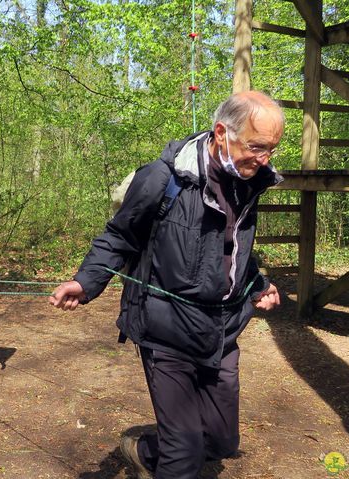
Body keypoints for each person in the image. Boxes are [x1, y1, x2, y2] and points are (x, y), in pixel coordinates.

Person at [49, 91, 283, 479]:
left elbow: (233, 247)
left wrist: (258, 283)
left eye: (272, 150)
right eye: (257, 147)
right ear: (222, 132)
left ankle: (142, 449)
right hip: (166, 328)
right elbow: (119, 237)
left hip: (222, 330)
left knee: (222, 443)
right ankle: (169, 454)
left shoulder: (248, 180)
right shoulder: (164, 179)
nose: (264, 161)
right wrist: (85, 282)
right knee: (184, 455)